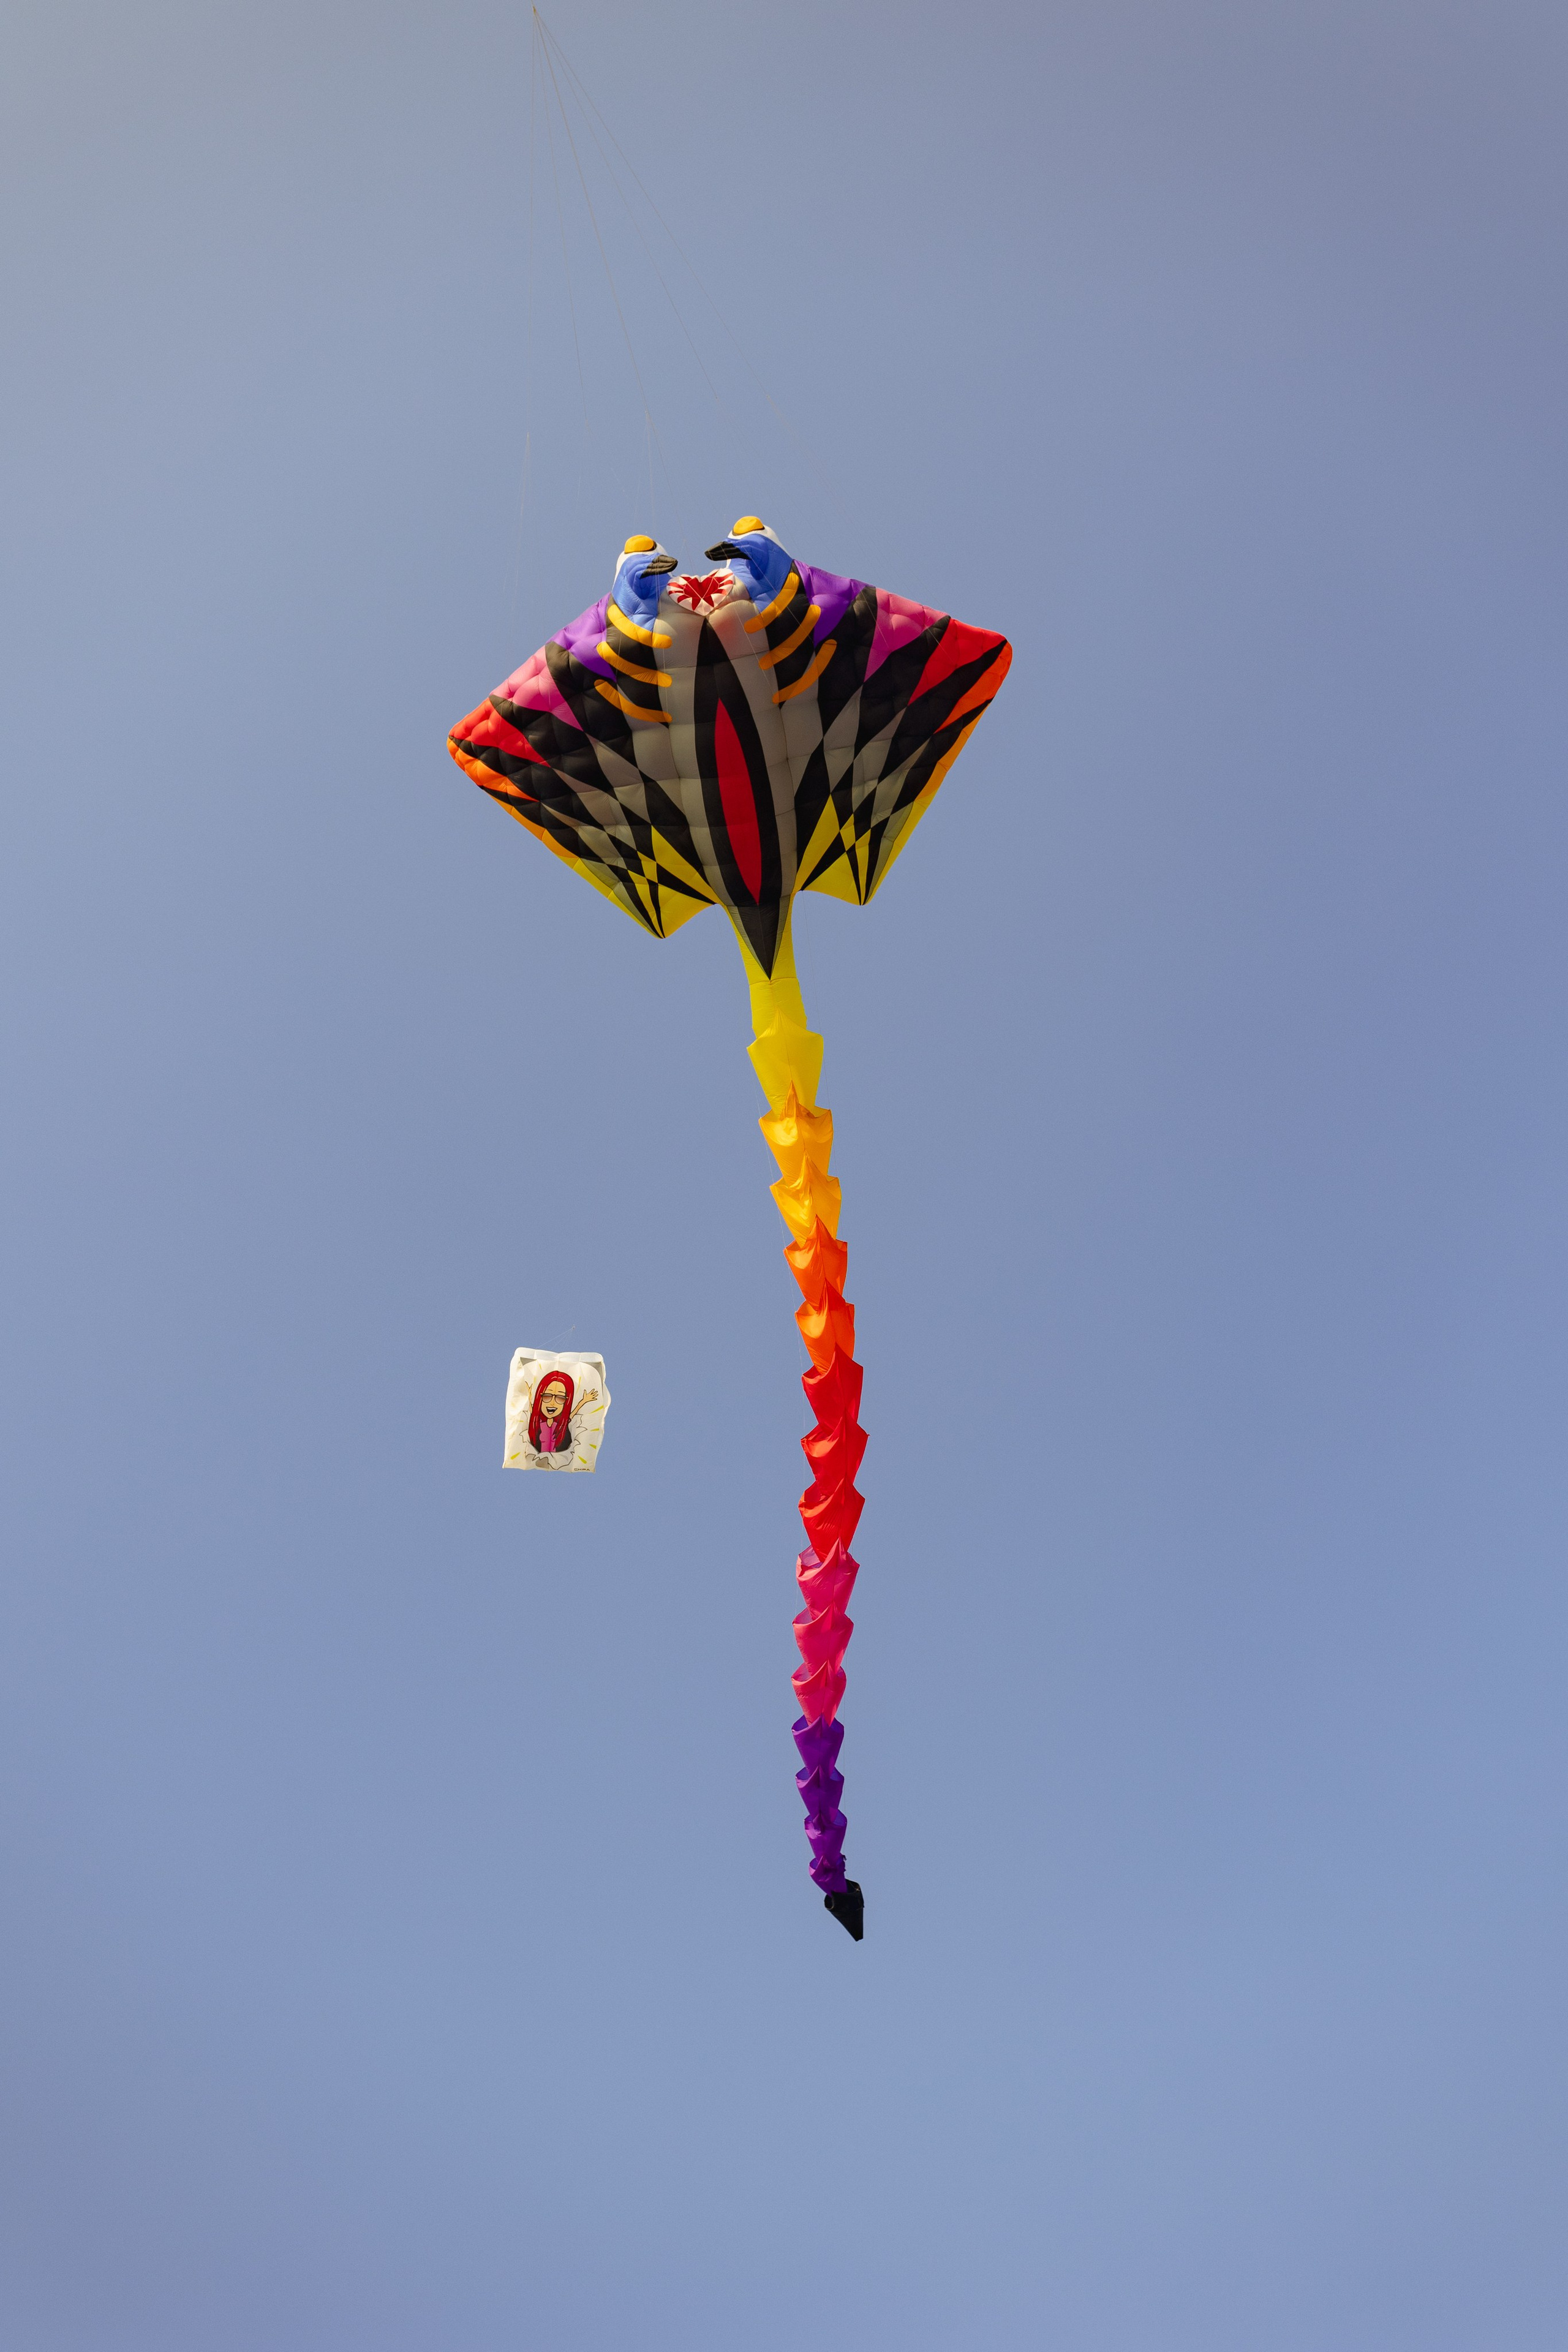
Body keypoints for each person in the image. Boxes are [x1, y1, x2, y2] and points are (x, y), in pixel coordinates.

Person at [526, 1370, 598, 1462]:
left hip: (557, 1460)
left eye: (560, 1398)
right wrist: (529, 1395)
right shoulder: (538, 1422)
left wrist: (583, 1401)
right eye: (547, 1396)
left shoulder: (560, 1425)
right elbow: (532, 1411)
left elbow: (573, 1413)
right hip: (539, 1458)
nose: (552, 1403)